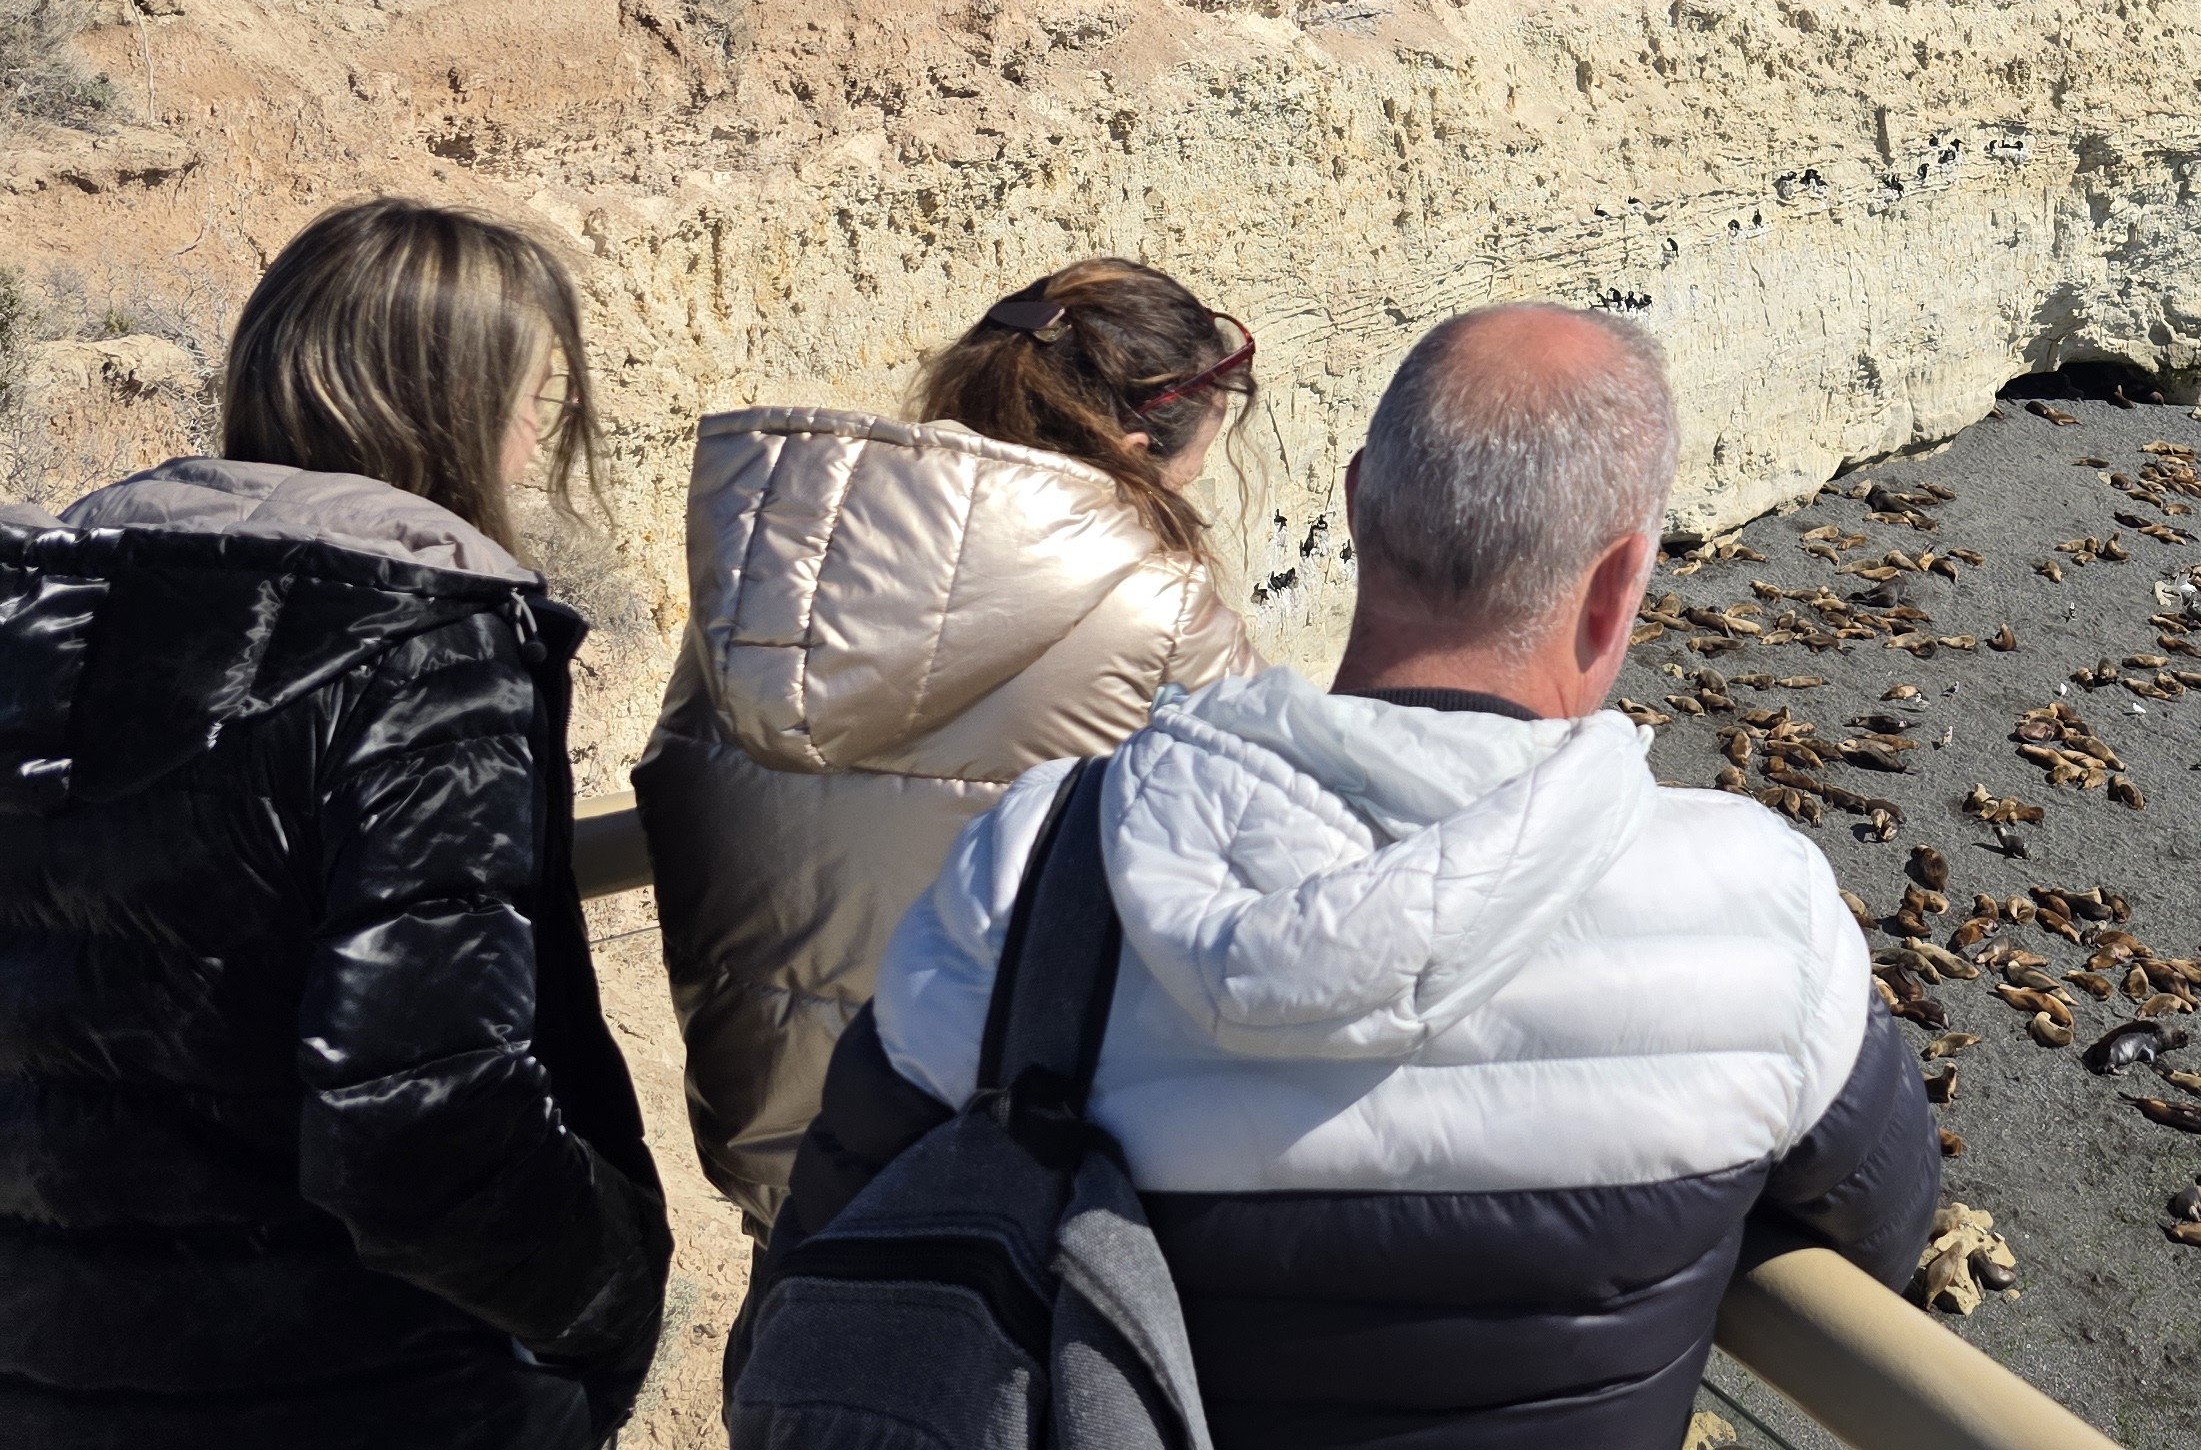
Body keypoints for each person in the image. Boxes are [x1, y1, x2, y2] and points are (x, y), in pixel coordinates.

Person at [763, 305, 1941, 1450]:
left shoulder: (1036, 860)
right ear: (1619, 581)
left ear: (1354, 508)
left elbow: (827, 1250)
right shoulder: (1760, 908)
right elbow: (1883, 1230)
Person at [0, 198, 670, 1449]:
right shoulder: (422, 653)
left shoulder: (41, 626)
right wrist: (614, 1294)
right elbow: (423, 1122)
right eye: (541, 397)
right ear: (449, 402)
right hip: (366, 1382)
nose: (539, 436)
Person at [638, 256, 1259, 1230]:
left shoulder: (773, 586)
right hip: (1001, 1193)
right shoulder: (1161, 611)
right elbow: (1259, 876)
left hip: (785, 1173)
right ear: (1137, 441)